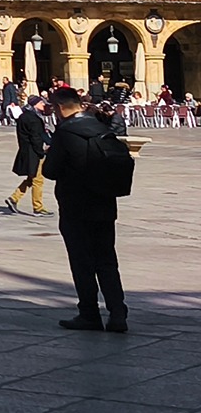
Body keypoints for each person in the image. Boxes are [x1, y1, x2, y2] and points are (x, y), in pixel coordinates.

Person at [42, 86, 131, 332]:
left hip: (75, 205)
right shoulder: (101, 128)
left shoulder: (66, 133)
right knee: (106, 259)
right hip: (104, 203)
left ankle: (89, 313)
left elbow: (50, 171)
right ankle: (118, 312)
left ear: (60, 108)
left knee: (82, 261)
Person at [7, 95, 50, 214]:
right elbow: (35, 137)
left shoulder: (24, 116)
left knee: (32, 177)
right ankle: (38, 207)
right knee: (38, 180)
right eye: (41, 103)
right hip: (34, 153)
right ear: (35, 104)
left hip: (26, 150)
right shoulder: (33, 119)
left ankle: (14, 198)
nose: (43, 105)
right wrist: (41, 152)